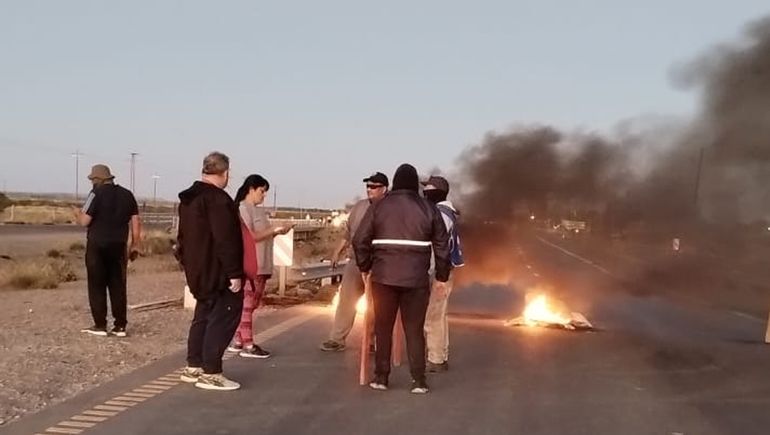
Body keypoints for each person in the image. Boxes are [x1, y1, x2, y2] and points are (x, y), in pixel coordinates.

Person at [353, 164, 451, 394]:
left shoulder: (379, 206)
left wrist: (366, 267)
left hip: (383, 278)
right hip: (416, 280)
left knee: (383, 327)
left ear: (395, 182)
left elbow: (360, 240)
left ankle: (381, 378)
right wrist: (441, 276)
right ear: (414, 183)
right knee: (414, 330)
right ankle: (419, 380)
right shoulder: (428, 208)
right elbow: (442, 245)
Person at [177, 152, 244, 391]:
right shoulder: (218, 200)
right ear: (225, 173)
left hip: (196, 269)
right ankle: (211, 372)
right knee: (224, 316)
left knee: (203, 315)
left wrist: (186, 263)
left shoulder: (188, 199)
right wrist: (235, 273)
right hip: (217, 272)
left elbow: (181, 238)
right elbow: (226, 239)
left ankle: (193, 365)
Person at [320, 172, 389, 352]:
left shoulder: (390, 208)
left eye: (373, 187)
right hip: (355, 261)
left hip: (378, 263)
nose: (369, 190)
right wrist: (336, 252)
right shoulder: (359, 207)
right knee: (346, 300)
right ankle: (337, 339)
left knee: (376, 304)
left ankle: (371, 341)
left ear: (384, 189)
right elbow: (348, 233)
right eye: (368, 186)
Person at [229, 174, 292, 358]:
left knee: (252, 304)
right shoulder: (242, 210)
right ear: (251, 189)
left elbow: (262, 234)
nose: (264, 195)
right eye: (262, 191)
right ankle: (248, 344)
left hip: (263, 264)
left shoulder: (258, 211)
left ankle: (239, 340)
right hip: (251, 264)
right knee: (247, 305)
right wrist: (273, 229)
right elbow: (250, 236)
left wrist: (278, 232)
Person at [74, 164, 140, 338]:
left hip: (97, 245)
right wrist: (135, 244)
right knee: (118, 285)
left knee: (96, 285)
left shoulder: (95, 194)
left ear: (98, 179)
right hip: (119, 246)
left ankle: (100, 325)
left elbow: (85, 221)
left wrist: (76, 213)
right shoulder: (128, 195)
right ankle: (120, 326)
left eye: (92, 180)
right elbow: (135, 222)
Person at [422, 175, 464, 373]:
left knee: (433, 316)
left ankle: (436, 359)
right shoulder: (446, 212)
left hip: (440, 272)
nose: (424, 192)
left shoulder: (442, 215)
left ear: (437, 192)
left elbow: (435, 244)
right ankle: (440, 355)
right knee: (439, 315)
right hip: (442, 270)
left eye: (428, 189)